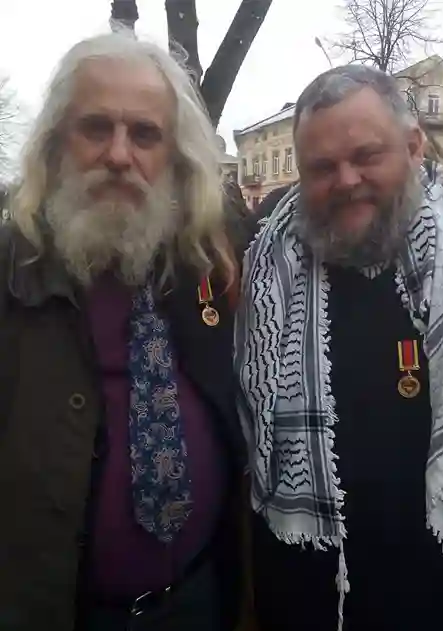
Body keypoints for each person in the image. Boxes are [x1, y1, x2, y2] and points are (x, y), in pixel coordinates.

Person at [0, 32, 254, 631]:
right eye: (96, 128)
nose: (119, 155)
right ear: (56, 143)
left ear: (175, 157)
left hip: (200, 599)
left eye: (145, 134)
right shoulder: (11, 273)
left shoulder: (212, 263)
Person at [235, 65, 443, 631]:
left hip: (433, 601)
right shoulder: (258, 267)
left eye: (367, 155)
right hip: (301, 601)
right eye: (322, 167)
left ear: (413, 147)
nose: (345, 181)